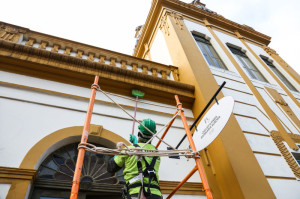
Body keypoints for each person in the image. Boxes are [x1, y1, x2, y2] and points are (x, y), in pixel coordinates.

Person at [107, 119, 162, 199]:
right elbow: (144, 155)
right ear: (153, 135)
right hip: (155, 194)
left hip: (136, 193)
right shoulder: (157, 153)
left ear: (139, 133)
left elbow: (111, 167)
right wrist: (136, 145)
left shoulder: (129, 150)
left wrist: (120, 152)